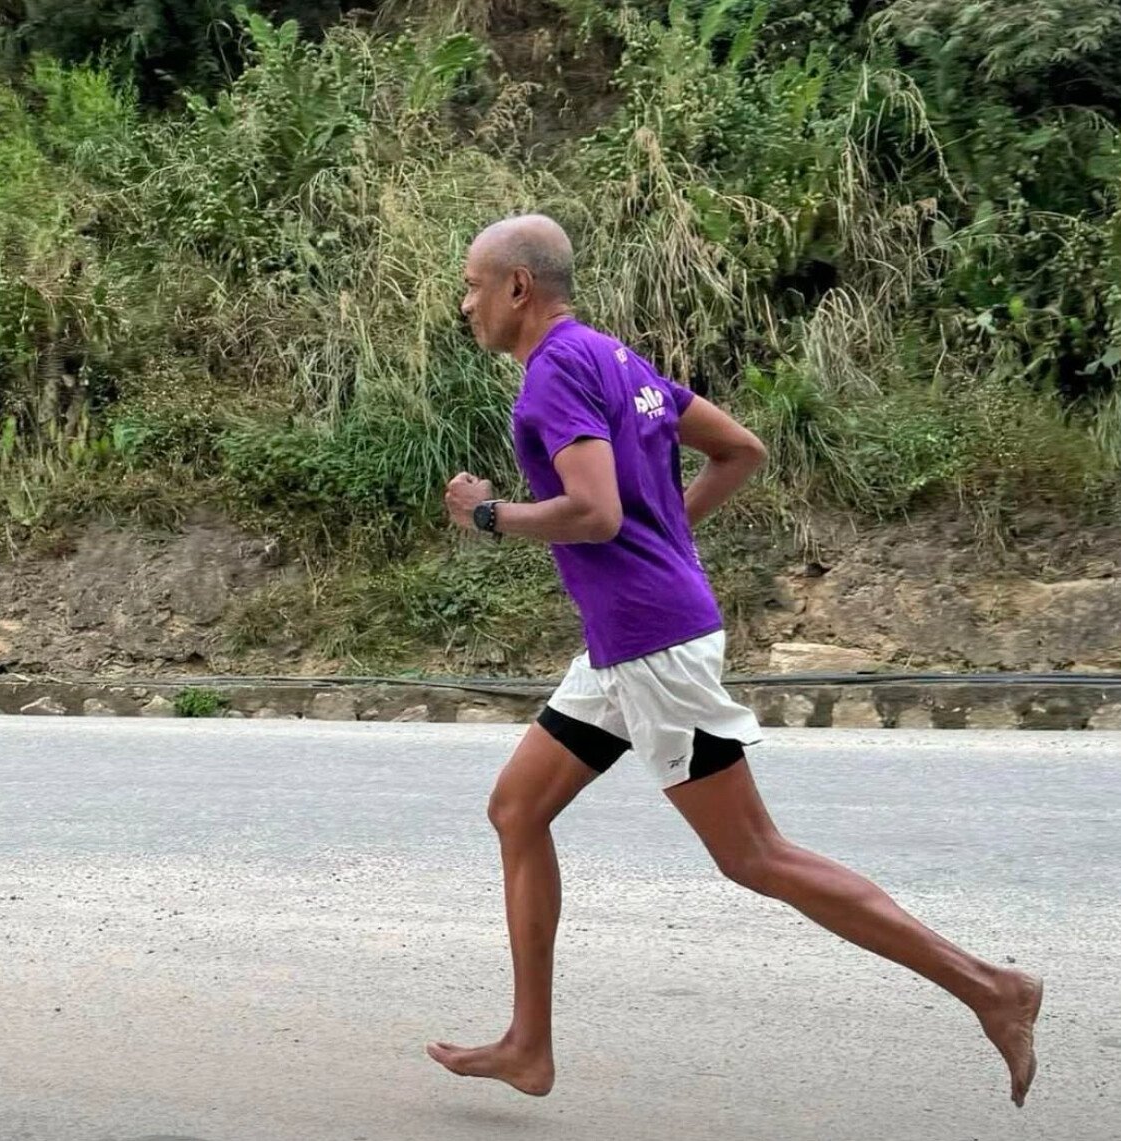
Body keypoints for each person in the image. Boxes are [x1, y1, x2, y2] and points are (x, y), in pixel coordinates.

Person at [429, 214, 1043, 1107]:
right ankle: (528, 1045)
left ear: (518, 287)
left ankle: (992, 987)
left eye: (473, 285)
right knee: (517, 809)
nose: (466, 303)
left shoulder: (553, 374)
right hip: (627, 642)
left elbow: (594, 513)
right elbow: (739, 449)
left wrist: (489, 516)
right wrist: (665, 541)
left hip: (650, 645)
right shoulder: (614, 358)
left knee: (754, 853)